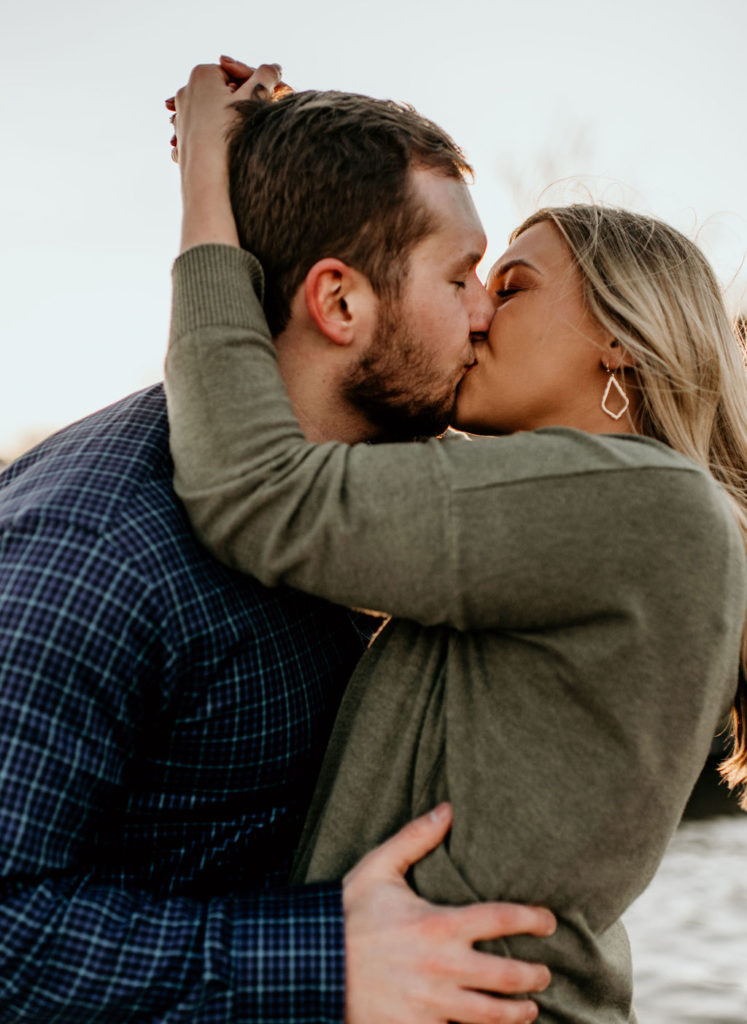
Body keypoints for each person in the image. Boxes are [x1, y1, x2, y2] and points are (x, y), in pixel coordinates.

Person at [164, 62, 747, 1022]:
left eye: (507, 286)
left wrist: (206, 198)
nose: (473, 311)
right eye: (466, 280)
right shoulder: (589, 516)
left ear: (619, 341)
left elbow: (256, 491)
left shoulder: (638, 510)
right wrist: (305, 177)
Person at [0, 68, 557, 1024]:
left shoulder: (385, 496)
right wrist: (328, 962)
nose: (481, 315)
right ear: (339, 305)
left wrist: (249, 148)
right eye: (459, 277)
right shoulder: (94, 552)